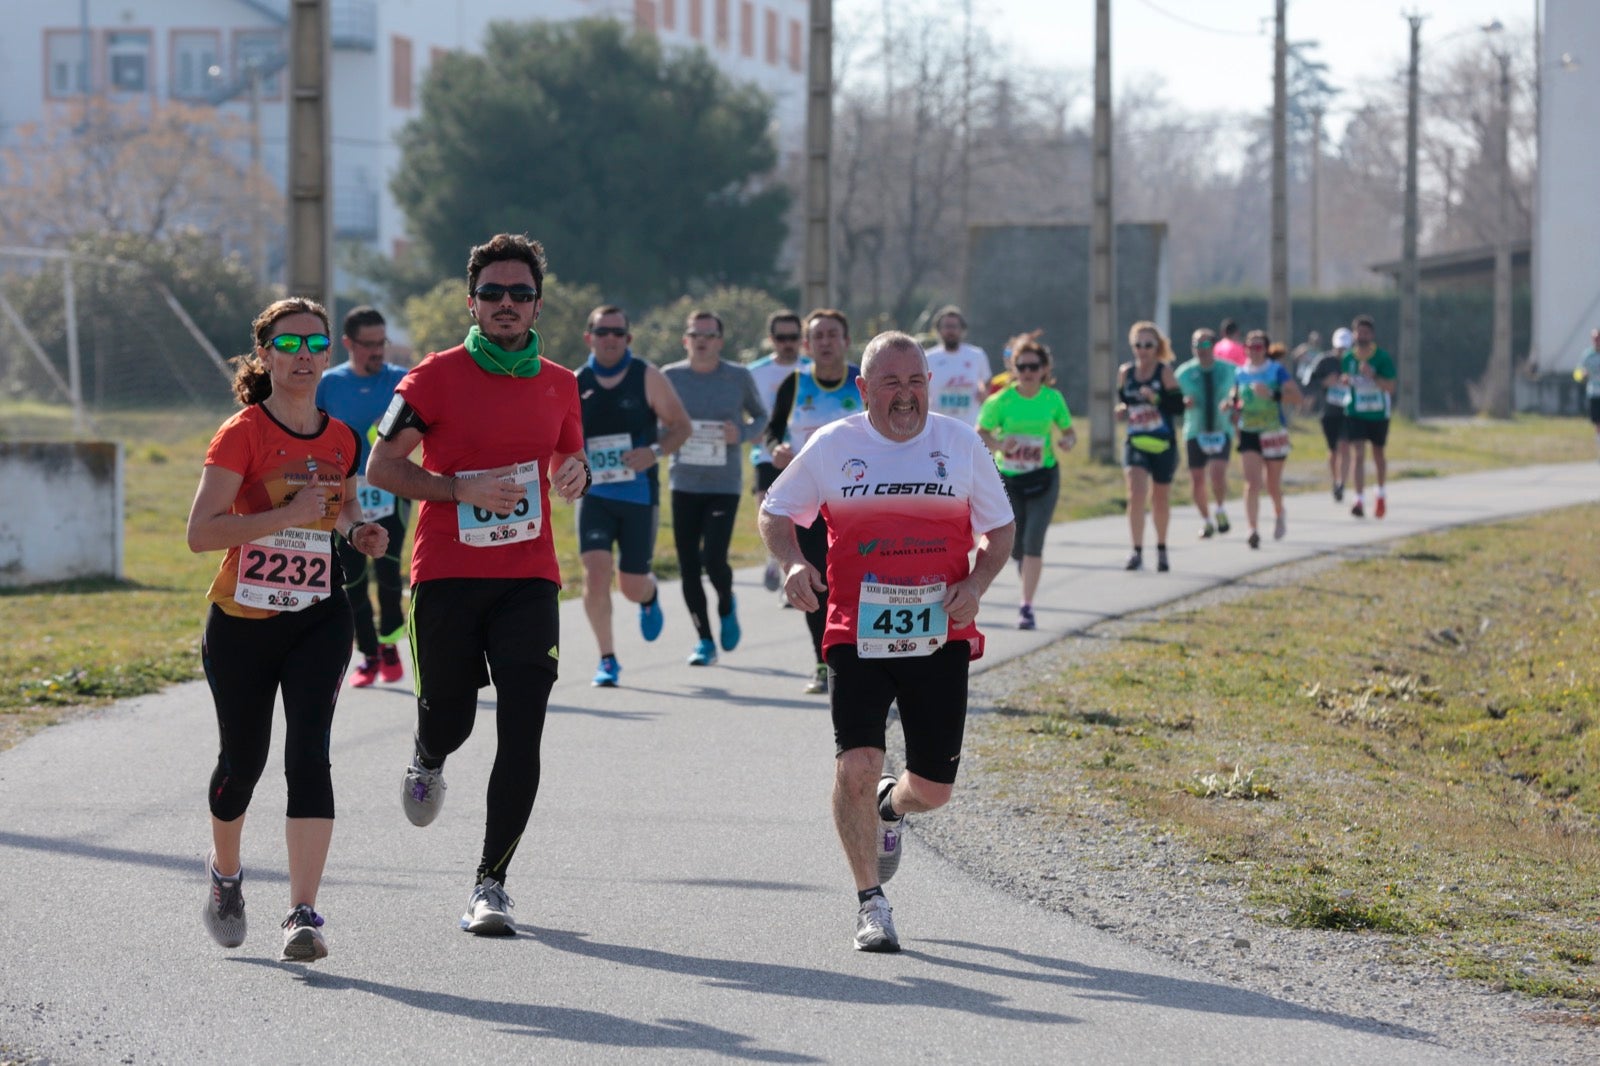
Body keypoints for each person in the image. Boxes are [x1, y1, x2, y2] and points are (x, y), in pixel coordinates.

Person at [758, 330, 1015, 953]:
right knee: (855, 763)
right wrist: (793, 563)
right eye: (891, 383)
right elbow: (775, 510)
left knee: (932, 789)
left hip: (940, 630)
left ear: (930, 384)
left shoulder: (959, 444)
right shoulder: (834, 445)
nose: (906, 397)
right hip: (857, 630)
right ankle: (871, 903)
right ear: (863, 387)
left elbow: (1000, 529)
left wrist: (977, 583)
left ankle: (891, 809)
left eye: (916, 382)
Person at [365, 233, 590, 936]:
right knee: (451, 718)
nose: (505, 304)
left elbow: (572, 460)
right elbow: (380, 467)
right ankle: (428, 753)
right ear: (471, 301)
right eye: (491, 293)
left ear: (537, 304)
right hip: (447, 574)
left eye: (519, 293)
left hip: (529, 577)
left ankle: (491, 884)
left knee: (523, 730)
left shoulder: (560, 382)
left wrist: (577, 475)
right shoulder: (431, 378)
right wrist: (457, 487)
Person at [188, 297, 390, 962]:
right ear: (266, 353)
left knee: (309, 754)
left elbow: (342, 507)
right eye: (289, 344)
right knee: (243, 763)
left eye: (315, 344)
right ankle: (226, 874)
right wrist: (285, 516)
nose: (304, 356)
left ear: (328, 353)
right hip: (243, 622)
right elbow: (201, 533)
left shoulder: (341, 437)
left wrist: (358, 529)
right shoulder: (241, 433)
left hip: (319, 617)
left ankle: (303, 912)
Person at [574, 304, 692, 687]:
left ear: (628, 338)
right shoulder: (576, 381)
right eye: (602, 331)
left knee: (630, 584)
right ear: (589, 337)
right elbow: (560, 437)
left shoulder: (647, 376)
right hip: (594, 494)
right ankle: (607, 658)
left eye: (618, 332)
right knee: (594, 574)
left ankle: (649, 594)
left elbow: (681, 427)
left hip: (639, 494)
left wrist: (654, 452)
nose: (610, 339)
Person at [661, 310, 768, 665]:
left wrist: (743, 433)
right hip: (684, 482)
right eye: (695, 334)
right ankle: (705, 641)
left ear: (720, 341)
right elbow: (654, 422)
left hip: (724, 484)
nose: (702, 340)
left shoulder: (737, 376)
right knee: (689, 565)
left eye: (709, 334)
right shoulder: (669, 377)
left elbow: (762, 417)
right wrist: (665, 439)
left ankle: (726, 603)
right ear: (685, 340)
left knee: (714, 558)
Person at [765, 309, 862, 695]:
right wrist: (777, 449)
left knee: (856, 579)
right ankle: (824, 662)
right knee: (814, 579)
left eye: (832, 335)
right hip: (809, 499)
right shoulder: (795, 382)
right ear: (807, 345)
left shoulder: (862, 382)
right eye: (817, 336)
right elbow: (771, 431)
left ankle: (864, 655)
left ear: (845, 341)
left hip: (856, 500)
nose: (825, 342)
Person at [315, 305, 410, 688]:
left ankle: (390, 645)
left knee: (387, 571)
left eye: (381, 343)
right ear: (348, 344)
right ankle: (368, 654)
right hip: (344, 495)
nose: (377, 352)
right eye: (368, 345)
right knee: (351, 578)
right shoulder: (329, 384)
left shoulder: (403, 381)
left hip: (392, 491)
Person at [977, 333, 1075, 630]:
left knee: (1034, 542)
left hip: (1044, 476)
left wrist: (1068, 440)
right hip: (1009, 480)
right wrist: (999, 444)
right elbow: (980, 432)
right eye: (1023, 366)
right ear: (1014, 368)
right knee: (1016, 547)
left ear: (1045, 369)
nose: (1029, 372)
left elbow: (1069, 431)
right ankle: (1024, 570)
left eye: (1034, 366)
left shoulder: (1053, 398)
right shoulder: (1000, 400)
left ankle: (1026, 606)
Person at [748, 310, 811, 592]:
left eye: (793, 337)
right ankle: (776, 558)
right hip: (767, 454)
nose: (788, 343)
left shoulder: (812, 370)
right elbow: (744, 413)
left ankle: (791, 572)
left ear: (801, 339)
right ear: (771, 339)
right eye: (781, 337)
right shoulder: (754, 373)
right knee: (768, 507)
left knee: (798, 518)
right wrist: (750, 430)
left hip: (805, 455)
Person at [1115, 321, 1185, 572]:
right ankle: (1136, 551)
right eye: (1138, 345)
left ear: (1157, 347)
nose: (1143, 350)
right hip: (1135, 441)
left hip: (1163, 443)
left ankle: (1162, 548)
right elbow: (1124, 400)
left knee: (1160, 497)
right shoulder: (1125, 372)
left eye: (1148, 345)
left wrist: (1156, 399)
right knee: (1135, 493)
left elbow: (1178, 407)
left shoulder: (1164, 372)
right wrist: (1122, 410)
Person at [1230, 330, 1301, 548]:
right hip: (1249, 431)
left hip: (1273, 432)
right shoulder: (1239, 373)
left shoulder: (1275, 371)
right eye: (1250, 346)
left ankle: (1279, 512)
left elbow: (1297, 397)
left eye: (1258, 346)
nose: (1253, 350)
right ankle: (1253, 529)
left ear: (1266, 350)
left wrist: (1272, 395)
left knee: (1272, 484)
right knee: (1252, 482)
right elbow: (1235, 398)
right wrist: (1231, 405)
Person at [1173, 327, 1236, 539]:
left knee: (1217, 474)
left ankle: (1219, 509)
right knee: (1197, 478)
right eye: (1196, 345)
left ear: (1214, 346)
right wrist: (1183, 403)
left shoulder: (1229, 370)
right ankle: (1206, 520)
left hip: (1221, 428)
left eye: (1206, 344)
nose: (1201, 349)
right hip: (1195, 431)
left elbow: (1239, 394)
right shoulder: (1183, 373)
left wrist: (1232, 404)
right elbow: (1171, 401)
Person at [1340, 313, 1396, 519]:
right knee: (1358, 454)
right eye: (1359, 332)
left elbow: (1390, 387)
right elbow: (1347, 380)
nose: (1362, 335)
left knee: (1378, 454)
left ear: (1372, 334)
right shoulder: (1348, 358)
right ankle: (1359, 499)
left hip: (1379, 412)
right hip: (1356, 412)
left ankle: (1380, 493)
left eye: (1366, 332)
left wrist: (1373, 376)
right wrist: (1346, 380)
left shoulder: (1381, 357)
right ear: (1354, 334)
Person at [1305, 326, 1353, 501]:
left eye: (1345, 348)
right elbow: (1309, 382)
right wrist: (1325, 382)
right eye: (1340, 348)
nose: (1342, 351)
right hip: (1329, 412)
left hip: (1349, 412)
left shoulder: (1355, 361)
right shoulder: (1324, 361)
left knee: (1345, 447)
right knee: (1333, 450)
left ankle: (1342, 484)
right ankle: (1335, 480)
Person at [923, 305, 992, 427]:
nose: (951, 331)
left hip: (969, 426)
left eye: (954, 327)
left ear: (962, 330)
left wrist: (984, 391)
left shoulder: (977, 355)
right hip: (938, 426)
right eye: (946, 327)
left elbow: (987, 380)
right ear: (938, 330)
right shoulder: (928, 357)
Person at [1573, 328, 1600, 460]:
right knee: (1597, 424)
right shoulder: (1587, 355)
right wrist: (1582, 375)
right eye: (1595, 338)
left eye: (1598, 338)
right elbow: (1577, 373)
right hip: (1594, 393)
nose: (1597, 341)